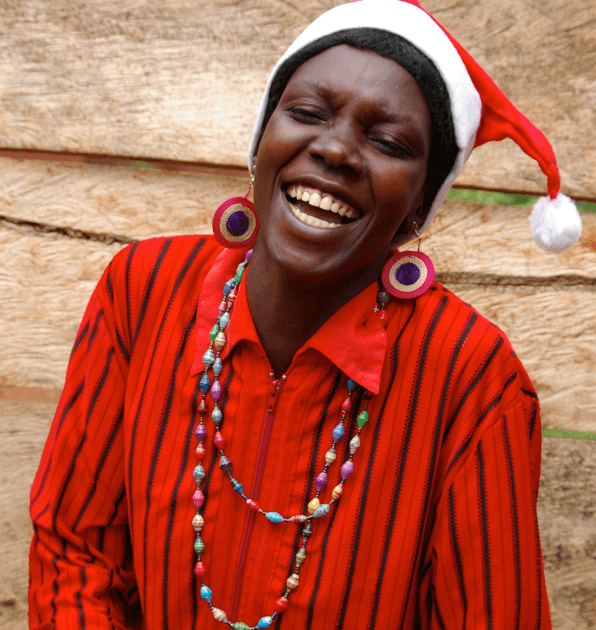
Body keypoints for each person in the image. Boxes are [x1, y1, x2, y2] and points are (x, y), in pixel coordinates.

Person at [28, 1, 582, 628]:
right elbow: (75, 552)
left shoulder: (473, 380)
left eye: (389, 142)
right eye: (307, 113)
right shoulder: (144, 292)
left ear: (420, 208)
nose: (338, 150)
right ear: (262, 141)